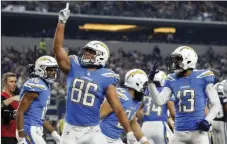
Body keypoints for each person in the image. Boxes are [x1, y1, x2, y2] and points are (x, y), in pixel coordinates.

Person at [53, 3, 137, 144]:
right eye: (86, 51)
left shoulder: (106, 76)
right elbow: (57, 48)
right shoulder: (75, 65)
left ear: (101, 57)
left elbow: (117, 108)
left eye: (91, 52)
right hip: (71, 129)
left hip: (93, 130)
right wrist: (61, 22)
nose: (86, 54)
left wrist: (128, 131)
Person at [147, 46, 221, 144]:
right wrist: (150, 83)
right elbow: (159, 101)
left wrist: (207, 120)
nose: (174, 63)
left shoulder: (203, 76)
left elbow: (216, 104)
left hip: (198, 133)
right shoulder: (171, 79)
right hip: (179, 133)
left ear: (188, 60)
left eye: (178, 60)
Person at [16, 56, 61, 144]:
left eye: (54, 70)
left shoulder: (45, 85)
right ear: (40, 70)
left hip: (34, 128)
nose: (53, 72)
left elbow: (39, 116)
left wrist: (53, 132)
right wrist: (21, 137)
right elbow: (20, 111)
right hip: (29, 128)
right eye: (50, 70)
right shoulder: (36, 85)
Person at [97, 69, 149, 144]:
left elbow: (133, 123)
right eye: (144, 85)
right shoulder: (119, 96)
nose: (145, 88)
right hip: (102, 137)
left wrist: (144, 141)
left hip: (116, 139)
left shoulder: (136, 101)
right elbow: (99, 115)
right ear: (136, 83)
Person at [139, 71, 174, 144]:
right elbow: (173, 113)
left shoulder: (146, 91)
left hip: (145, 126)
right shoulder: (166, 91)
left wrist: (146, 118)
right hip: (160, 125)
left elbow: (138, 111)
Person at [1, 72, 19, 144]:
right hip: (5, 137)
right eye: (11, 82)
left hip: (16, 136)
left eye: (15, 82)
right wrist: (12, 99)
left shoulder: (15, 98)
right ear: (5, 83)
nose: (14, 84)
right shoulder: (2, 96)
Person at [210, 80, 227, 144]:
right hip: (222, 122)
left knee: (215, 142)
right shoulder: (223, 97)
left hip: (212, 121)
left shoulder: (211, 97)